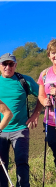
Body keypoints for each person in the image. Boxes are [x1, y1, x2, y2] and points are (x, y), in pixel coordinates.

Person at [0, 53, 41, 187]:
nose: (8, 67)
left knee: (21, 161)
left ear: (15, 65)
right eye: (4, 64)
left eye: (11, 64)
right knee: (1, 165)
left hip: (20, 128)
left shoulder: (24, 80)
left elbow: (41, 94)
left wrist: (35, 115)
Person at [38, 39, 56, 168]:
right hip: (50, 121)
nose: (55, 56)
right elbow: (41, 95)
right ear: (49, 55)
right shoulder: (44, 74)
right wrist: (44, 101)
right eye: (53, 52)